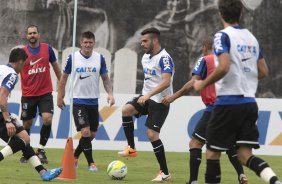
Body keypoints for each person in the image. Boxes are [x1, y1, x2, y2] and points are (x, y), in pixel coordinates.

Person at [193, 0, 281, 183]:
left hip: (227, 103)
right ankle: (274, 180)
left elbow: (223, 67)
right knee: (244, 155)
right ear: (240, 13)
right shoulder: (251, 38)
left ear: (220, 14)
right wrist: (244, 77)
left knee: (212, 153)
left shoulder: (222, 36)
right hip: (249, 103)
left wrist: (202, 84)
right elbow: (264, 71)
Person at [162, 36, 248, 184]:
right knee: (229, 145)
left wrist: (173, 96)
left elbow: (193, 82)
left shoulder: (206, 60)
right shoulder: (228, 62)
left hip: (216, 108)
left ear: (204, 47)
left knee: (195, 143)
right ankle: (242, 175)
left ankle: (193, 181)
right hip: (234, 109)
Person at [118, 27, 174, 182]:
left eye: (145, 41)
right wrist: (146, 94)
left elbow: (166, 81)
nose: (142, 44)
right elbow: (150, 81)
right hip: (147, 98)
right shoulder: (145, 57)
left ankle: (165, 173)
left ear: (155, 40)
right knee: (126, 110)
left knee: (152, 135)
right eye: (141, 41)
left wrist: (149, 94)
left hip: (161, 101)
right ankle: (131, 148)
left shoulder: (164, 58)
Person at [0, 48, 62, 181]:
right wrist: (7, 120)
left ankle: (43, 173)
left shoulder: (1, 69)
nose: (24, 67)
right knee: (23, 139)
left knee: (24, 139)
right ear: (20, 62)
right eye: (24, 64)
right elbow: (2, 97)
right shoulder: (11, 74)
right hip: (0, 114)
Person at [57, 31, 115, 171]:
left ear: (94, 43)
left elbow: (105, 79)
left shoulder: (99, 58)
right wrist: (60, 96)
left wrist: (110, 94)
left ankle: (75, 155)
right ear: (81, 43)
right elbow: (63, 79)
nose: (88, 45)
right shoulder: (73, 58)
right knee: (85, 132)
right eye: (85, 42)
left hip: (93, 101)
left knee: (92, 134)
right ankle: (91, 164)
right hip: (78, 100)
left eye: (90, 42)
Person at [19, 25, 62, 164]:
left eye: (34, 33)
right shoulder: (22, 52)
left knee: (47, 119)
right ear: (27, 36)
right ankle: (27, 151)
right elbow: (14, 70)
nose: (32, 35)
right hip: (28, 94)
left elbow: (56, 68)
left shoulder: (47, 49)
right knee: (26, 124)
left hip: (45, 93)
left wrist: (61, 88)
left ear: (39, 35)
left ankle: (41, 150)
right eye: (30, 33)